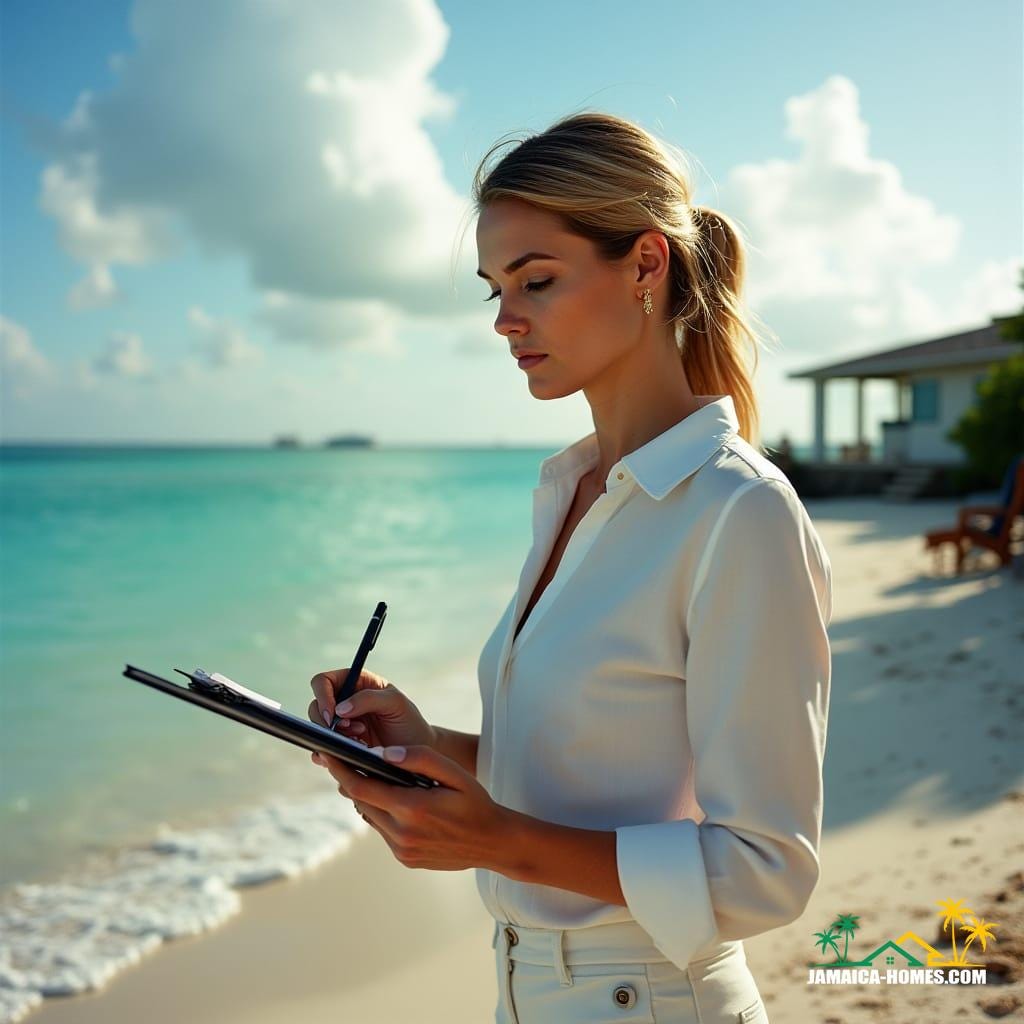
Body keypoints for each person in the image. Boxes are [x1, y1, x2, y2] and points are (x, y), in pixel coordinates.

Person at [309, 110, 833, 1024]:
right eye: (494, 291)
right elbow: (592, 771)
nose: (507, 321)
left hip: (655, 996)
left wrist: (501, 842)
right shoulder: (572, 490)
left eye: (537, 281)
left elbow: (767, 870)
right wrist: (429, 746)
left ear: (644, 265)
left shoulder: (737, 512)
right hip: (526, 990)